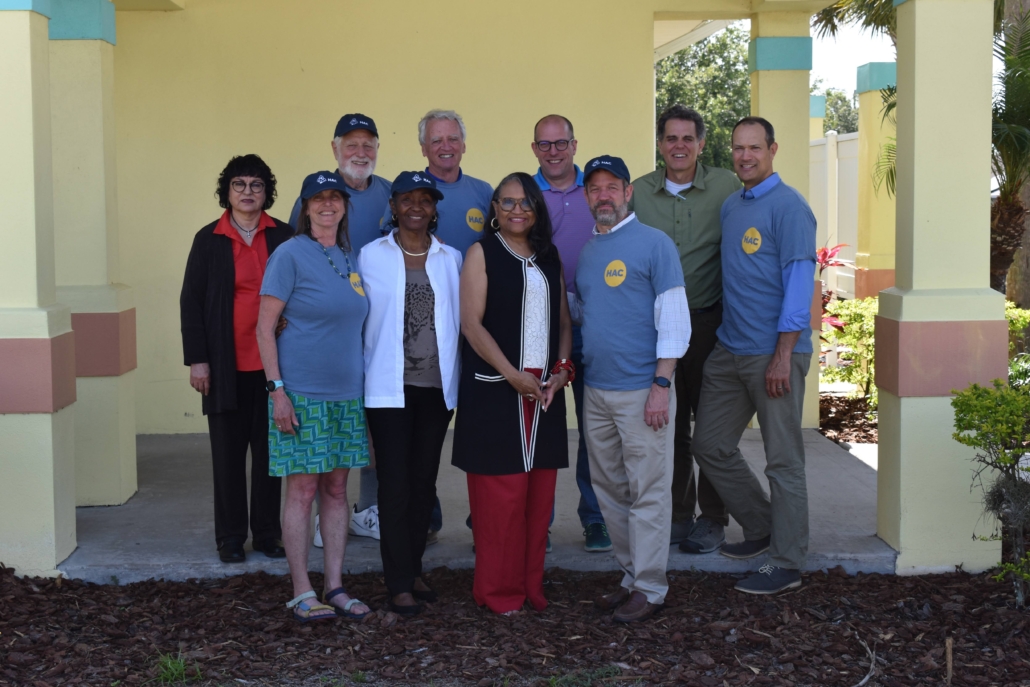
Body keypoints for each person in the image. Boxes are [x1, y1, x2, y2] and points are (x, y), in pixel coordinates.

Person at [690, 117, 816, 595]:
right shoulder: (731, 207)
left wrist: (784, 353)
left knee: (783, 461)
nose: (745, 156)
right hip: (730, 347)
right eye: (738, 148)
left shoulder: (789, 208)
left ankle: (787, 561)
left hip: (774, 352)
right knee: (710, 445)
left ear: (773, 150)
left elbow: (800, 286)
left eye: (754, 148)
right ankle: (764, 527)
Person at [575, 155, 689, 623]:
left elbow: (675, 321)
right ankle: (630, 577)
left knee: (648, 491)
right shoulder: (587, 251)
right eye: (595, 188)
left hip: (644, 390)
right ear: (587, 197)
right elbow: (585, 316)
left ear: (628, 192)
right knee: (609, 490)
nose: (603, 195)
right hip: (596, 390)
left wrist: (662, 384)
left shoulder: (654, 244)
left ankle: (651, 586)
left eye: (612, 187)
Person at [452, 172, 572, 615]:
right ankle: (499, 595)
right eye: (508, 202)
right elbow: (471, 325)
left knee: (538, 499)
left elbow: (562, 322)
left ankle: (530, 588)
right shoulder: (481, 253)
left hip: (544, 393)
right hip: (497, 389)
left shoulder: (548, 256)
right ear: (495, 209)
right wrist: (511, 374)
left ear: (537, 208)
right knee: (499, 502)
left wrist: (562, 370)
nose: (517, 210)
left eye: (526, 202)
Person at [256, 171, 372, 622]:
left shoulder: (347, 256)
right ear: (304, 207)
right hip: (301, 393)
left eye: (334, 197)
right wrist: (277, 391)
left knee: (338, 489)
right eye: (317, 198)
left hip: (347, 395)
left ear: (344, 205)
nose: (327, 204)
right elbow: (264, 327)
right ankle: (302, 589)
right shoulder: (289, 254)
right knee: (302, 490)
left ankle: (336, 585)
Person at [628, 105, 741, 554]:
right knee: (668, 424)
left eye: (687, 138)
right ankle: (677, 513)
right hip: (655, 329)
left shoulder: (726, 187)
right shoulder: (637, 192)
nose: (679, 146)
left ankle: (713, 518)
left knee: (710, 426)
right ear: (660, 144)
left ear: (701, 143)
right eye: (670, 138)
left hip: (711, 323)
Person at [360, 171, 462, 615]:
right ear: (394, 206)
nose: (416, 206)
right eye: (407, 199)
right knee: (394, 485)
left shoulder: (451, 259)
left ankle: (413, 568)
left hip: (437, 389)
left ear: (435, 208)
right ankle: (397, 580)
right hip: (388, 390)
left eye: (425, 199)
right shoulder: (370, 256)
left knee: (424, 482)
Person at [180, 154, 291, 564]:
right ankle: (229, 537)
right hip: (225, 366)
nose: (248, 192)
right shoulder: (208, 238)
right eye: (240, 184)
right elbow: (191, 302)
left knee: (270, 455)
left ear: (267, 192)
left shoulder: (284, 236)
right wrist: (198, 360)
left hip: (274, 367)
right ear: (227, 191)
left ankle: (266, 534)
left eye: (257, 185)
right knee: (227, 457)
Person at [287, 114, 390, 545]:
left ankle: (368, 511)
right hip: (325, 326)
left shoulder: (387, 192)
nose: (360, 153)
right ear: (335, 149)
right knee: (321, 433)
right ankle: (316, 518)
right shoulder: (317, 192)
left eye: (368, 144)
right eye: (352, 145)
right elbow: (293, 258)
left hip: (373, 322)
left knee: (371, 425)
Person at [530, 114, 611, 554]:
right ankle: (536, 518)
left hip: (594, 323)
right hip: (539, 325)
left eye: (561, 143)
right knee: (538, 423)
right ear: (534, 149)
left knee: (594, 427)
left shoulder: (597, 189)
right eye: (545, 144)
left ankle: (595, 517)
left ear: (574, 145)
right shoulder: (524, 194)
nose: (554, 151)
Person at [381, 109, 492, 258]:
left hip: (474, 280)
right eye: (436, 141)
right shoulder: (405, 191)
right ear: (423, 149)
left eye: (453, 139)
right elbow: (389, 246)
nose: (446, 146)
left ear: (463, 146)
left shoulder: (484, 191)